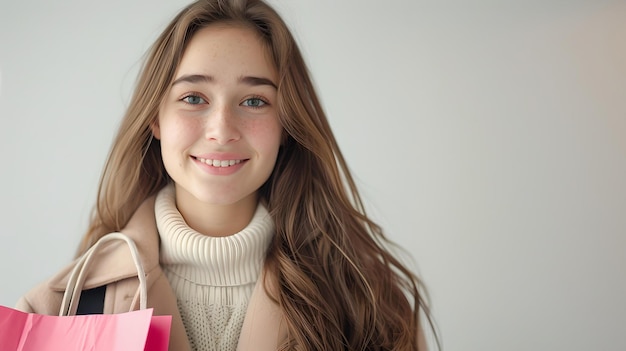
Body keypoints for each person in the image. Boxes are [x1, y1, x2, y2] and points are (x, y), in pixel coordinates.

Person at [17, 0, 439, 349]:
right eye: (194, 97)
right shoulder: (58, 313)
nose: (221, 130)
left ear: (287, 125)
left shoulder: (370, 306)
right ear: (155, 119)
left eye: (255, 101)